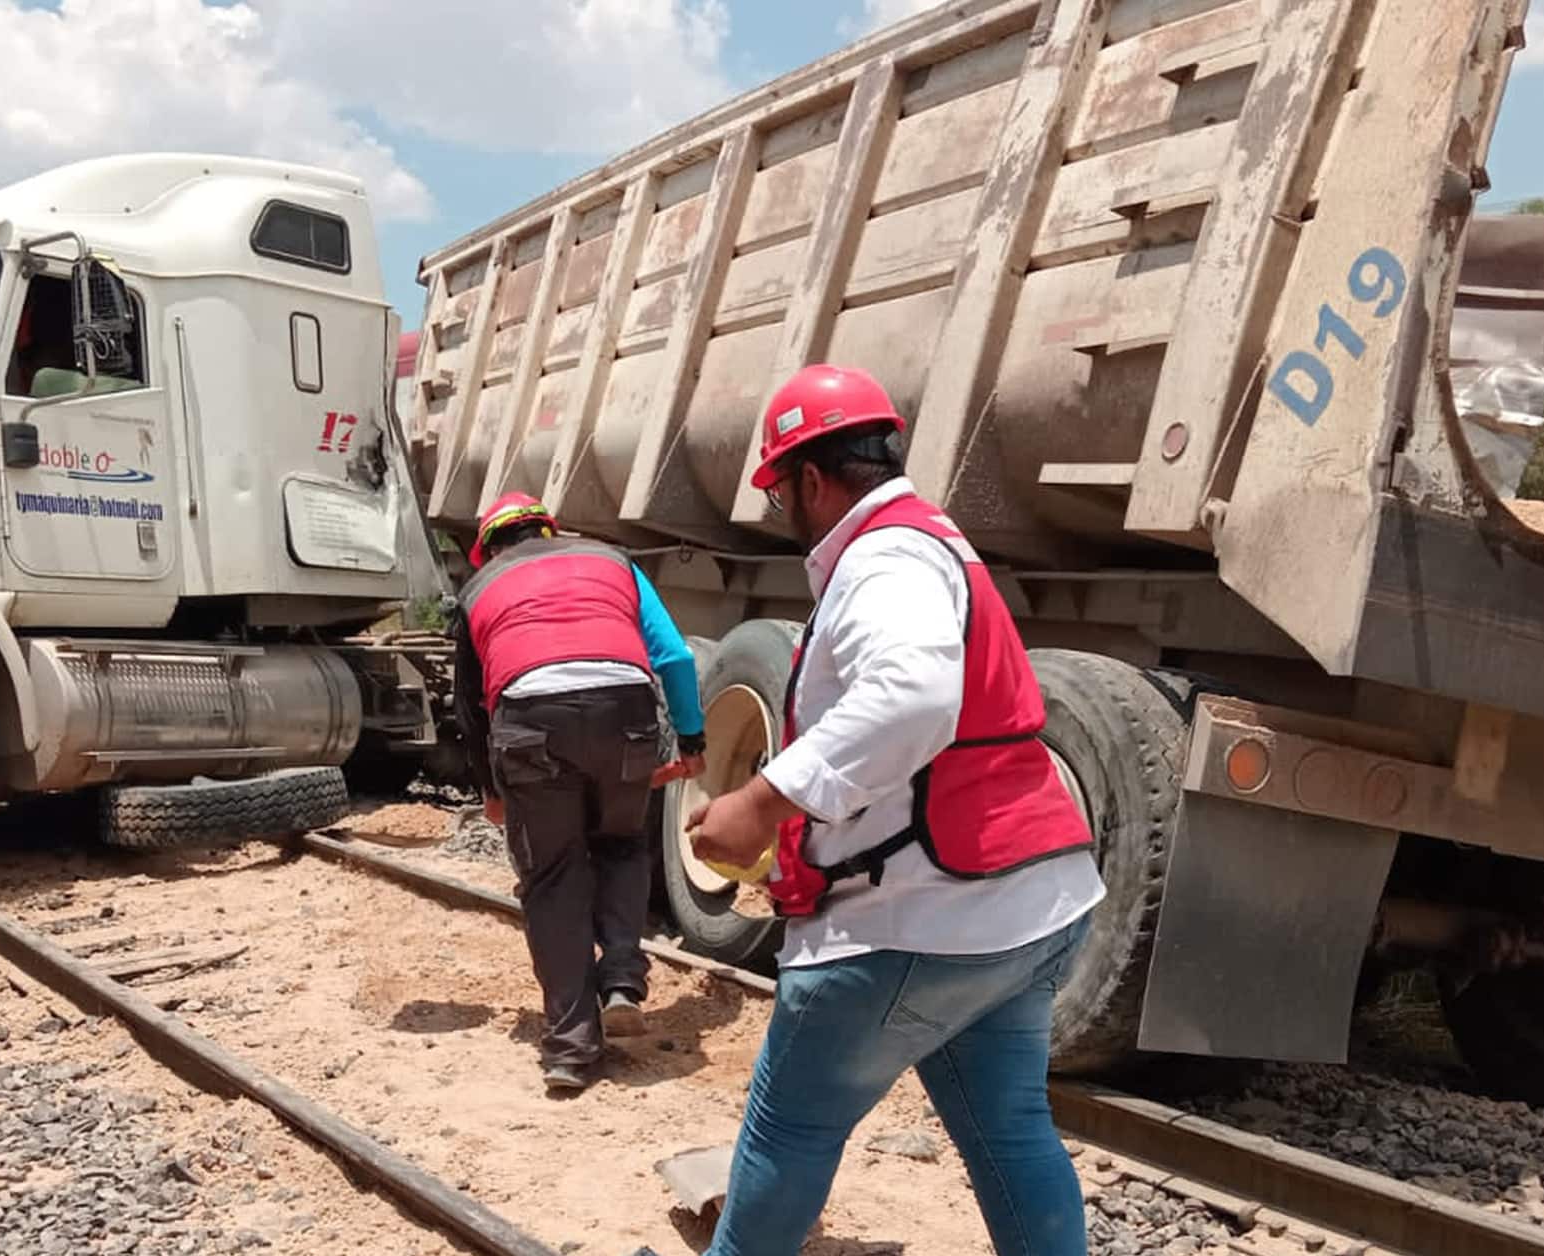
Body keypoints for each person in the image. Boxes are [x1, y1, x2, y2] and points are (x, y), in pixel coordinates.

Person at [686, 365, 1106, 1255]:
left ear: (807, 479)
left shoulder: (883, 556)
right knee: (1010, 1130)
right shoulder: (934, 542)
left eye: (781, 494)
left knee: (789, 1131)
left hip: (918, 919)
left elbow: (914, 697)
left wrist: (762, 802)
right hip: (1027, 906)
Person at [448, 492, 707, 1093]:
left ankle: (571, 1049)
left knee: (553, 875)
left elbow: (470, 706)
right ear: (551, 529)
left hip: (531, 722)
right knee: (620, 844)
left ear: (487, 549)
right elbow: (674, 655)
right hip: (626, 711)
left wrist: (490, 787)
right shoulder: (612, 561)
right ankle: (620, 980)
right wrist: (691, 737)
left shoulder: (479, 588)